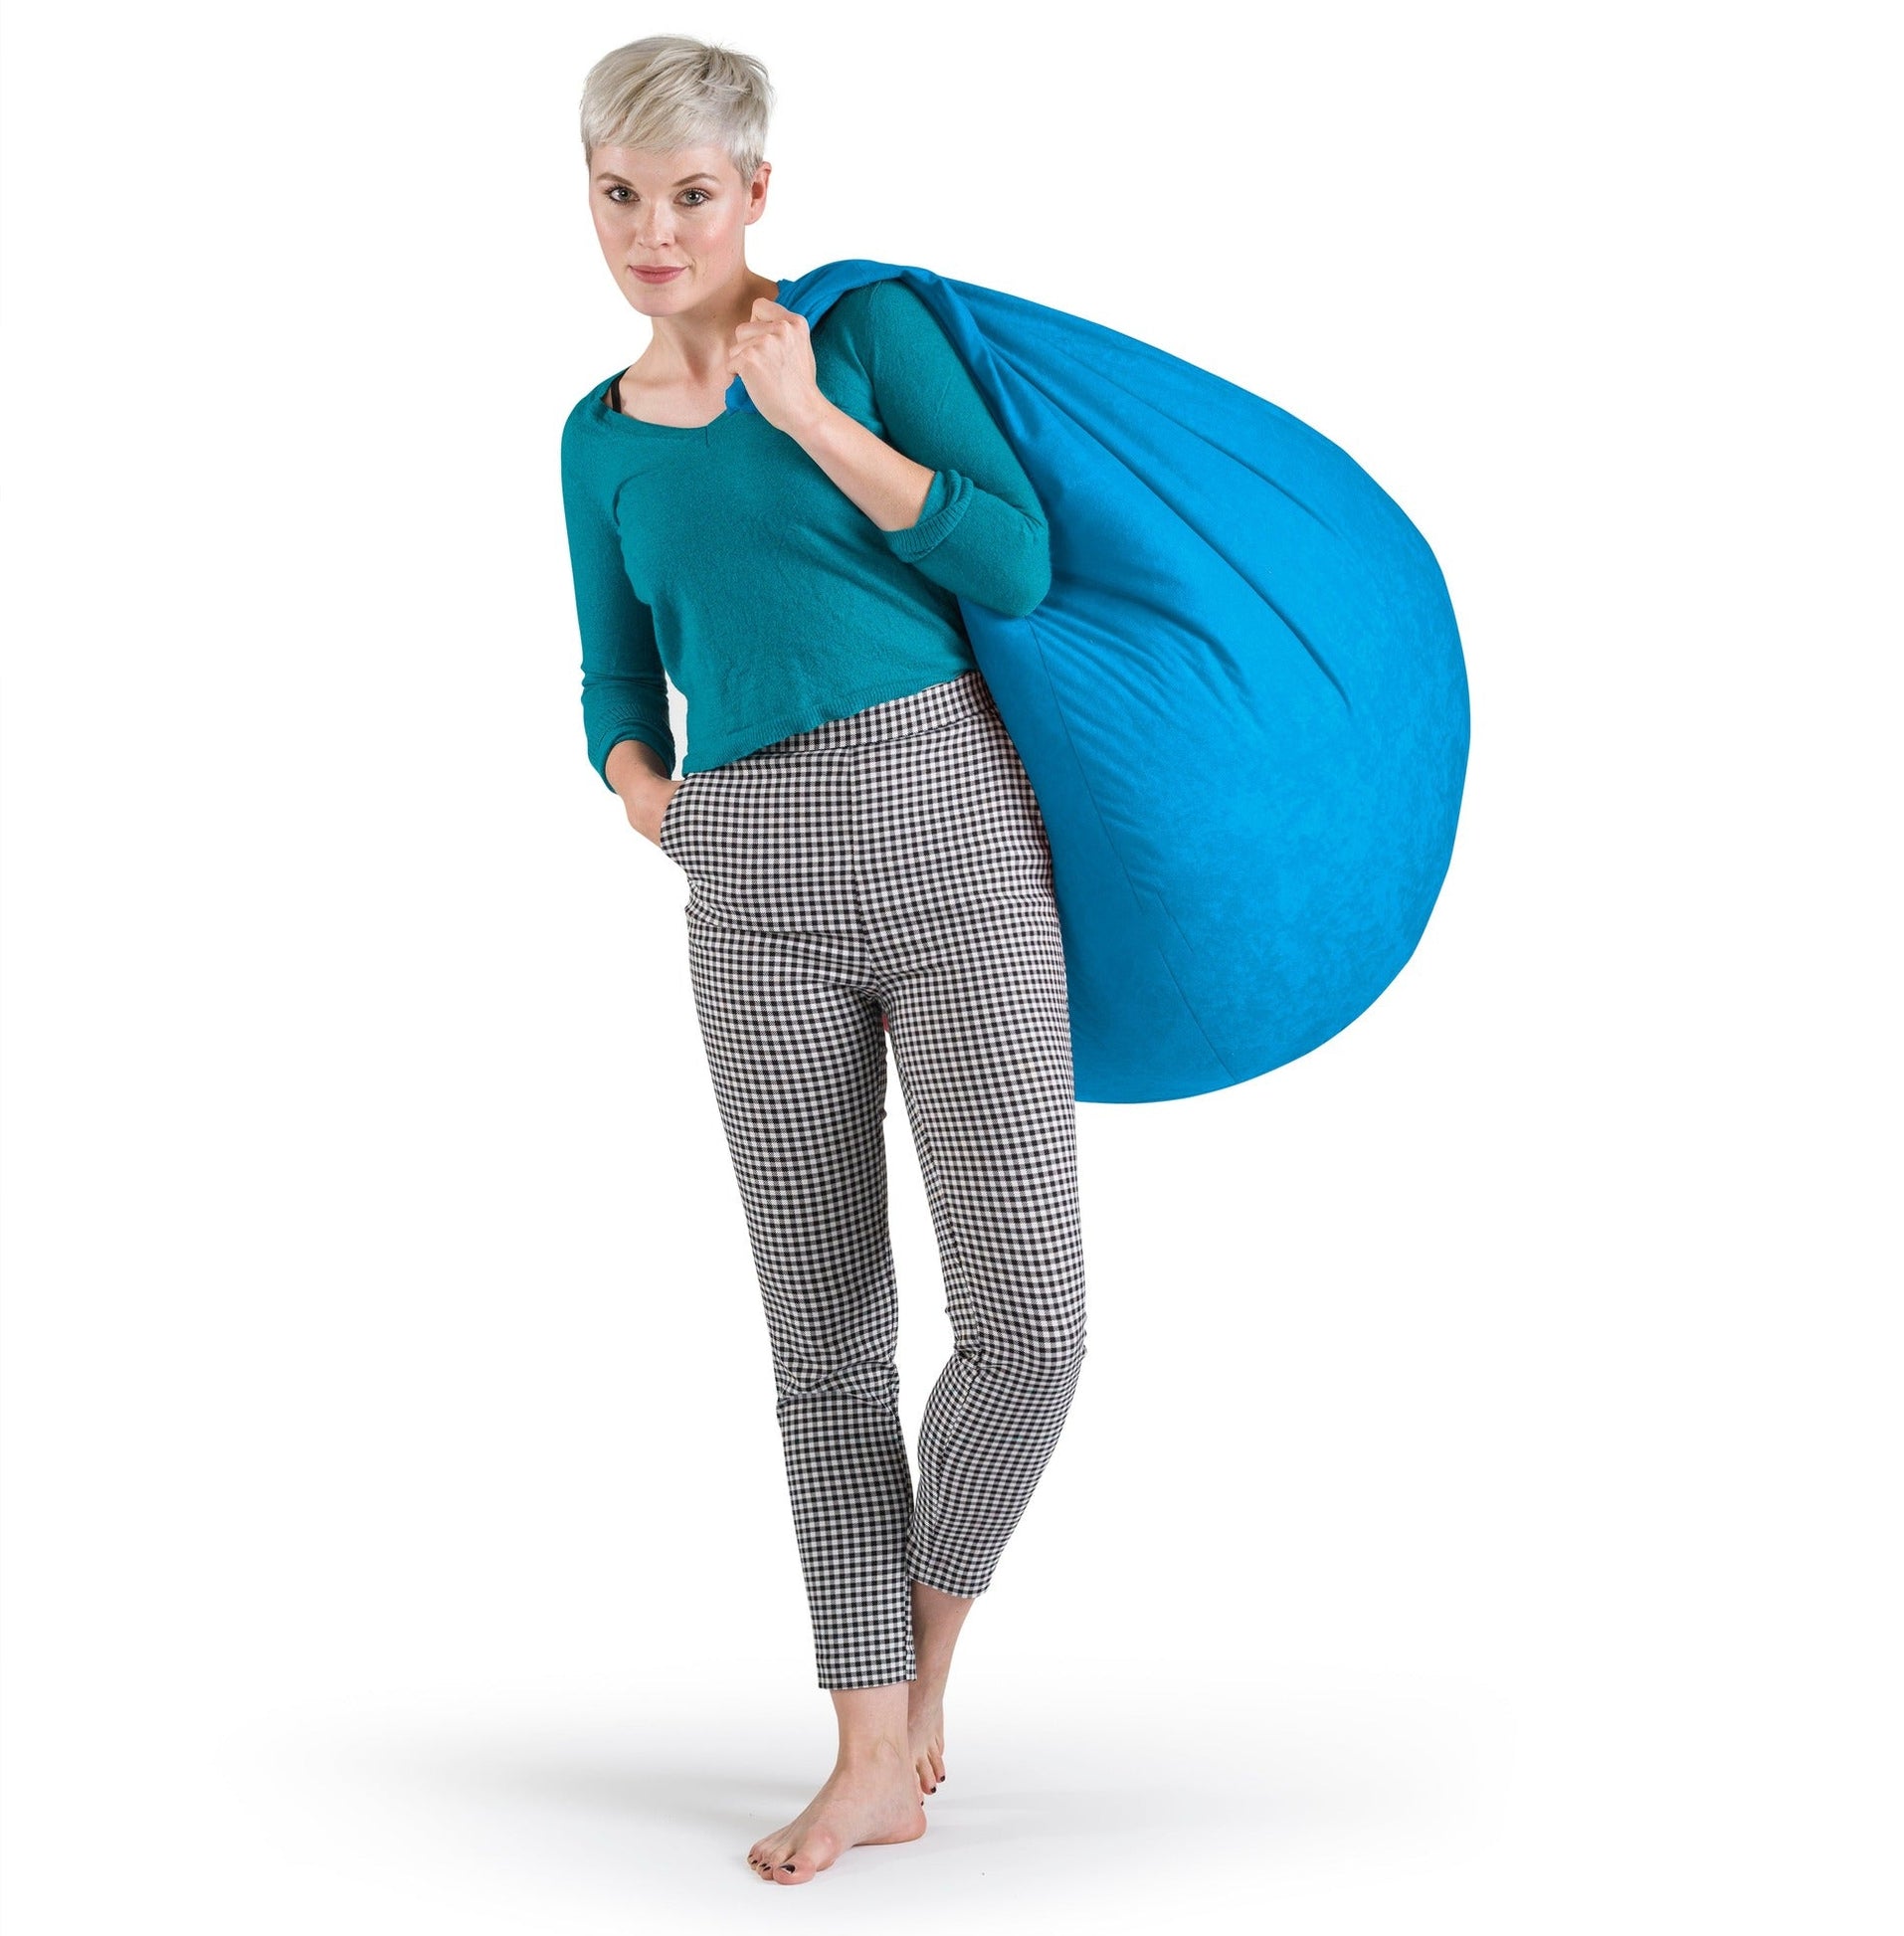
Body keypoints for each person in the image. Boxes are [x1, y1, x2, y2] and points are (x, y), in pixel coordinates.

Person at [559, 36, 1088, 1887]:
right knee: (825, 1333)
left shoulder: (860, 336)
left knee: (1030, 1319)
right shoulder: (596, 435)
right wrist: (651, 802)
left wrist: (808, 420)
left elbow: (1012, 563)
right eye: (619, 194)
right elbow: (613, 671)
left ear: (756, 194)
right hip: (749, 876)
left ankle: (922, 1662)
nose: (654, 231)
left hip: (949, 819)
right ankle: (869, 1750)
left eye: (691, 194)